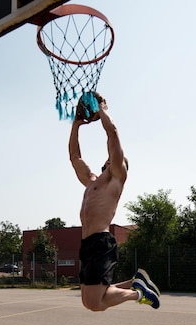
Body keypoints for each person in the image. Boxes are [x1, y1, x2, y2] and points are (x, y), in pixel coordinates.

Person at [68, 93, 160, 311]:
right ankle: (134, 282)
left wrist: (101, 109)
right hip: (88, 244)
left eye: (119, 158)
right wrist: (75, 125)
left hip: (101, 242)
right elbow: (75, 157)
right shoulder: (92, 181)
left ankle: (138, 293)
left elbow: (112, 133)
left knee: (94, 303)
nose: (114, 157)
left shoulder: (117, 177)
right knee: (89, 300)